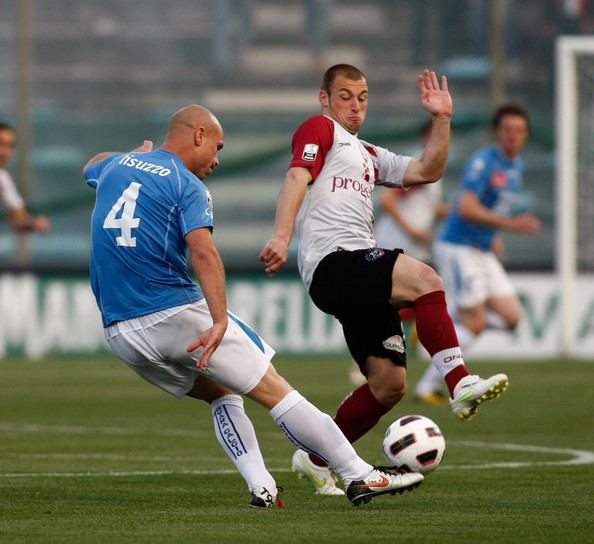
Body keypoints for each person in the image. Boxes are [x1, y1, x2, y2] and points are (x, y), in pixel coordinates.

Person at [82, 104, 423, 508]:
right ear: (198, 136)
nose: (217, 159)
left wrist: (133, 155)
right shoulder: (187, 185)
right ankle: (359, 474)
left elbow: (93, 163)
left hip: (121, 333)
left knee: (221, 392)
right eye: (217, 146)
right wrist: (220, 320)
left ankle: (261, 486)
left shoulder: (119, 166)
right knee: (276, 389)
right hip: (171, 312)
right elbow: (204, 254)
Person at [259, 64, 509, 496]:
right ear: (324, 99)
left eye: (362, 97)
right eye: (345, 96)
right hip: (335, 260)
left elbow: (428, 171)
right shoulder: (319, 129)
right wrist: (282, 236)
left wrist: (442, 119)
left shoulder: (368, 155)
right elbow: (296, 177)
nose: (355, 106)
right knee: (425, 278)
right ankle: (460, 382)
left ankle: (316, 459)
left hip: (353, 273)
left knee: (388, 386)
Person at [433, 104, 541, 352]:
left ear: (526, 135)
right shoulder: (483, 163)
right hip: (459, 247)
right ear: (497, 132)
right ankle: (429, 386)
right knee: (475, 325)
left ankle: (443, 323)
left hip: (482, 248)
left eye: (519, 130)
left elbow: (494, 206)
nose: (513, 135)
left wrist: (494, 236)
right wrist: (512, 225)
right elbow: (466, 208)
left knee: (512, 318)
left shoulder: (517, 166)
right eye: (507, 129)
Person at [374, 119, 450, 405]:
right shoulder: (419, 164)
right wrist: (413, 230)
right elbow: (388, 201)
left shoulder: (432, 170)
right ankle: (408, 338)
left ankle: (408, 337)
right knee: (414, 298)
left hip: (411, 248)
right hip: (399, 245)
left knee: (401, 303)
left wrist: (451, 213)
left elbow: (427, 205)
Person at [0, 122, 50, 233]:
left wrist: (34, 224)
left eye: (10, 146)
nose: (5, 152)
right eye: (0, 143)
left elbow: (18, 219)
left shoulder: (3, 179)